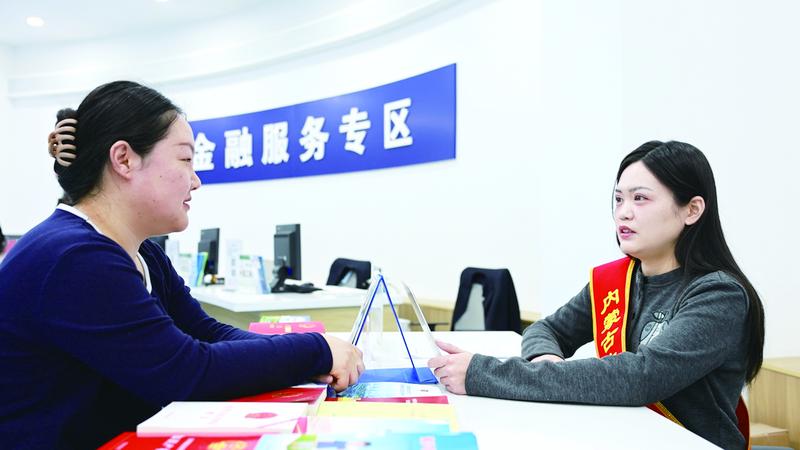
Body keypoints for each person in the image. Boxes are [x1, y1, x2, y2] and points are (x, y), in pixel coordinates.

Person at [0, 81, 364, 450]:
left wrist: (310, 357)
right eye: (185, 160)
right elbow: (186, 372)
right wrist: (315, 350)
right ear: (124, 159)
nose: (196, 181)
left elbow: (206, 332)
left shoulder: (141, 252)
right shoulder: (74, 258)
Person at [428, 140, 765, 450]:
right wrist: (546, 360)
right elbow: (547, 329)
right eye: (618, 199)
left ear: (692, 210)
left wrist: (481, 374)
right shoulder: (617, 280)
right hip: (625, 437)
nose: (624, 212)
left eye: (640, 198)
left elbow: (641, 377)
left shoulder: (719, 294)